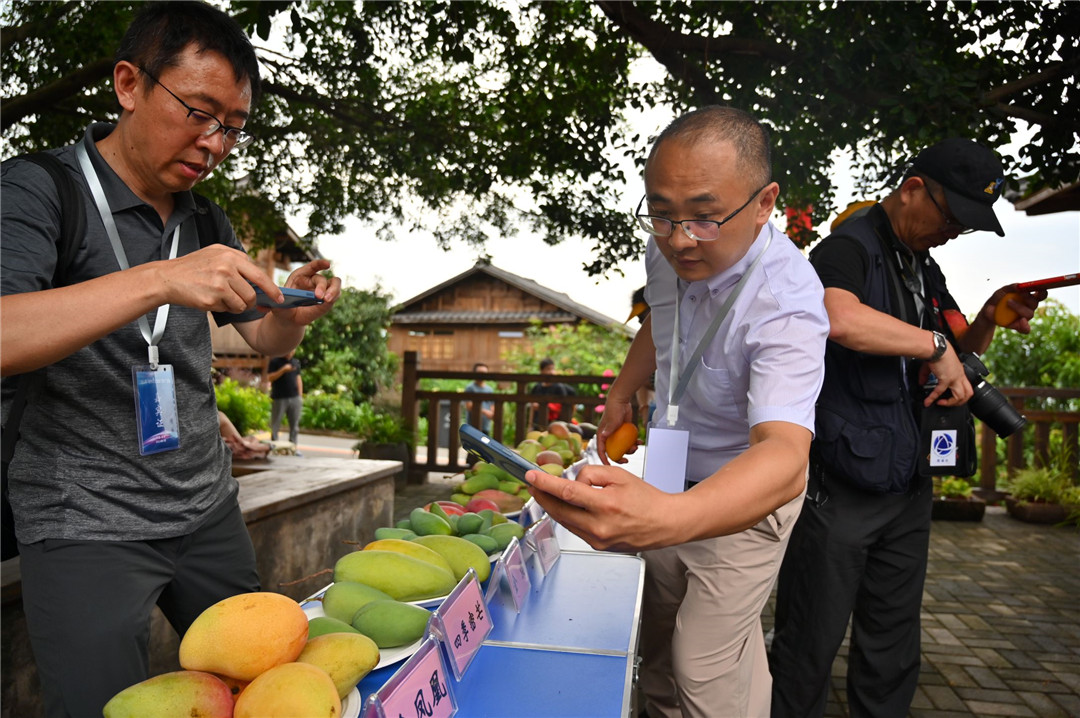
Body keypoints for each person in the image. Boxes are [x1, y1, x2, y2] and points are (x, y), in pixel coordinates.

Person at [0, 3, 340, 716]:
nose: (216, 143)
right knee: (111, 708)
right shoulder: (38, 190)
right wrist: (158, 279)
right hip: (83, 520)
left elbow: (264, 341)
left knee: (267, 692)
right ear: (129, 84)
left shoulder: (204, 218)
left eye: (234, 128)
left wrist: (295, 314)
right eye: (199, 112)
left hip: (204, 506)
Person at [525, 106, 830, 718]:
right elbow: (663, 327)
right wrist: (620, 393)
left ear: (765, 202)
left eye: (705, 217)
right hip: (668, 467)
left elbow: (784, 457)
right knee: (657, 639)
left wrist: (669, 517)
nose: (681, 239)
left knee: (703, 662)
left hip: (742, 492)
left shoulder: (788, 301)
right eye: (661, 212)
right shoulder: (666, 248)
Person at [768, 138, 1046, 718]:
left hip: (907, 484)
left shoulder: (923, 263)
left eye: (965, 227)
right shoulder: (846, 247)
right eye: (951, 217)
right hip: (838, 488)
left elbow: (957, 350)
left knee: (892, 647)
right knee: (809, 645)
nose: (951, 232)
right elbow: (837, 317)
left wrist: (992, 313)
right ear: (915, 188)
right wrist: (934, 344)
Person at [267, 349, 303, 451]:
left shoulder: (295, 362)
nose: (289, 353)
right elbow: (270, 377)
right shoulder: (275, 362)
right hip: (279, 398)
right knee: (276, 424)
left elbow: (298, 378)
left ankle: (293, 447)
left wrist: (300, 396)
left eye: (291, 351)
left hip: (295, 397)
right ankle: (273, 446)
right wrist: (283, 370)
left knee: (295, 425)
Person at [527, 357, 576, 429]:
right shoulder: (537, 387)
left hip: (555, 425)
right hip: (537, 424)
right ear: (541, 371)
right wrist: (530, 426)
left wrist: (544, 406)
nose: (551, 372)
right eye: (548, 369)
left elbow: (564, 408)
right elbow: (532, 408)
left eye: (552, 369)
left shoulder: (559, 387)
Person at [463, 362, 496, 434]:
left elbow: (492, 406)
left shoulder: (489, 389)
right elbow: (469, 406)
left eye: (484, 373)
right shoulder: (470, 388)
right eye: (480, 373)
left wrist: (493, 414)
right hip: (472, 426)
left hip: (486, 426)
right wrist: (485, 412)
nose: (482, 375)